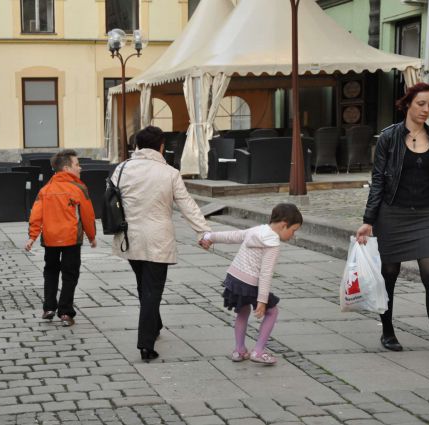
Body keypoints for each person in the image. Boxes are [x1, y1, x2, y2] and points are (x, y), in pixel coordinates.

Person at [110, 126, 212, 362]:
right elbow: (187, 204)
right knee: (152, 291)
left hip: (130, 237)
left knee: (143, 285)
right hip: (158, 238)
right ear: (161, 146)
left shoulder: (122, 169)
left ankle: (154, 325)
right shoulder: (169, 173)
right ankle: (146, 344)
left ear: (136, 146)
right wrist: (204, 231)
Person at [356, 82, 429, 352]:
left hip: (426, 216)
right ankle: (387, 332)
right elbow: (377, 181)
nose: (426, 110)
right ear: (408, 104)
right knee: (389, 273)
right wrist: (368, 219)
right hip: (392, 214)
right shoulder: (389, 137)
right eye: (421, 104)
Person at [201, 203, 302, 365]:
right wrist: (262, 301)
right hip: (250, 283)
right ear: (284, 225)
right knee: (272, 312)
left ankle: (239, 350)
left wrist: (209, 237)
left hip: (234, 278)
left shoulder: (257, 230)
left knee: (242, 311)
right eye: (293, 230)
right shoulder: (272, 243)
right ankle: (258, 351)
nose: (293, 235)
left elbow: (232, 236)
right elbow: (266, 274)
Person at [25, 149, 97, 327]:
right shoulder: (79, 188)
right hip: (71, 239)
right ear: (66, 168)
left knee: (50, 271)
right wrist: (91, 236)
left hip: (50, 239)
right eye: (77, 164)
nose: (80, 168)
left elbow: (36, 215)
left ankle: (49, 308)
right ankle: (65, 312)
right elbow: (88, 214)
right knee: (70, 274)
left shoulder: (45, 189)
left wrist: (32, 236)